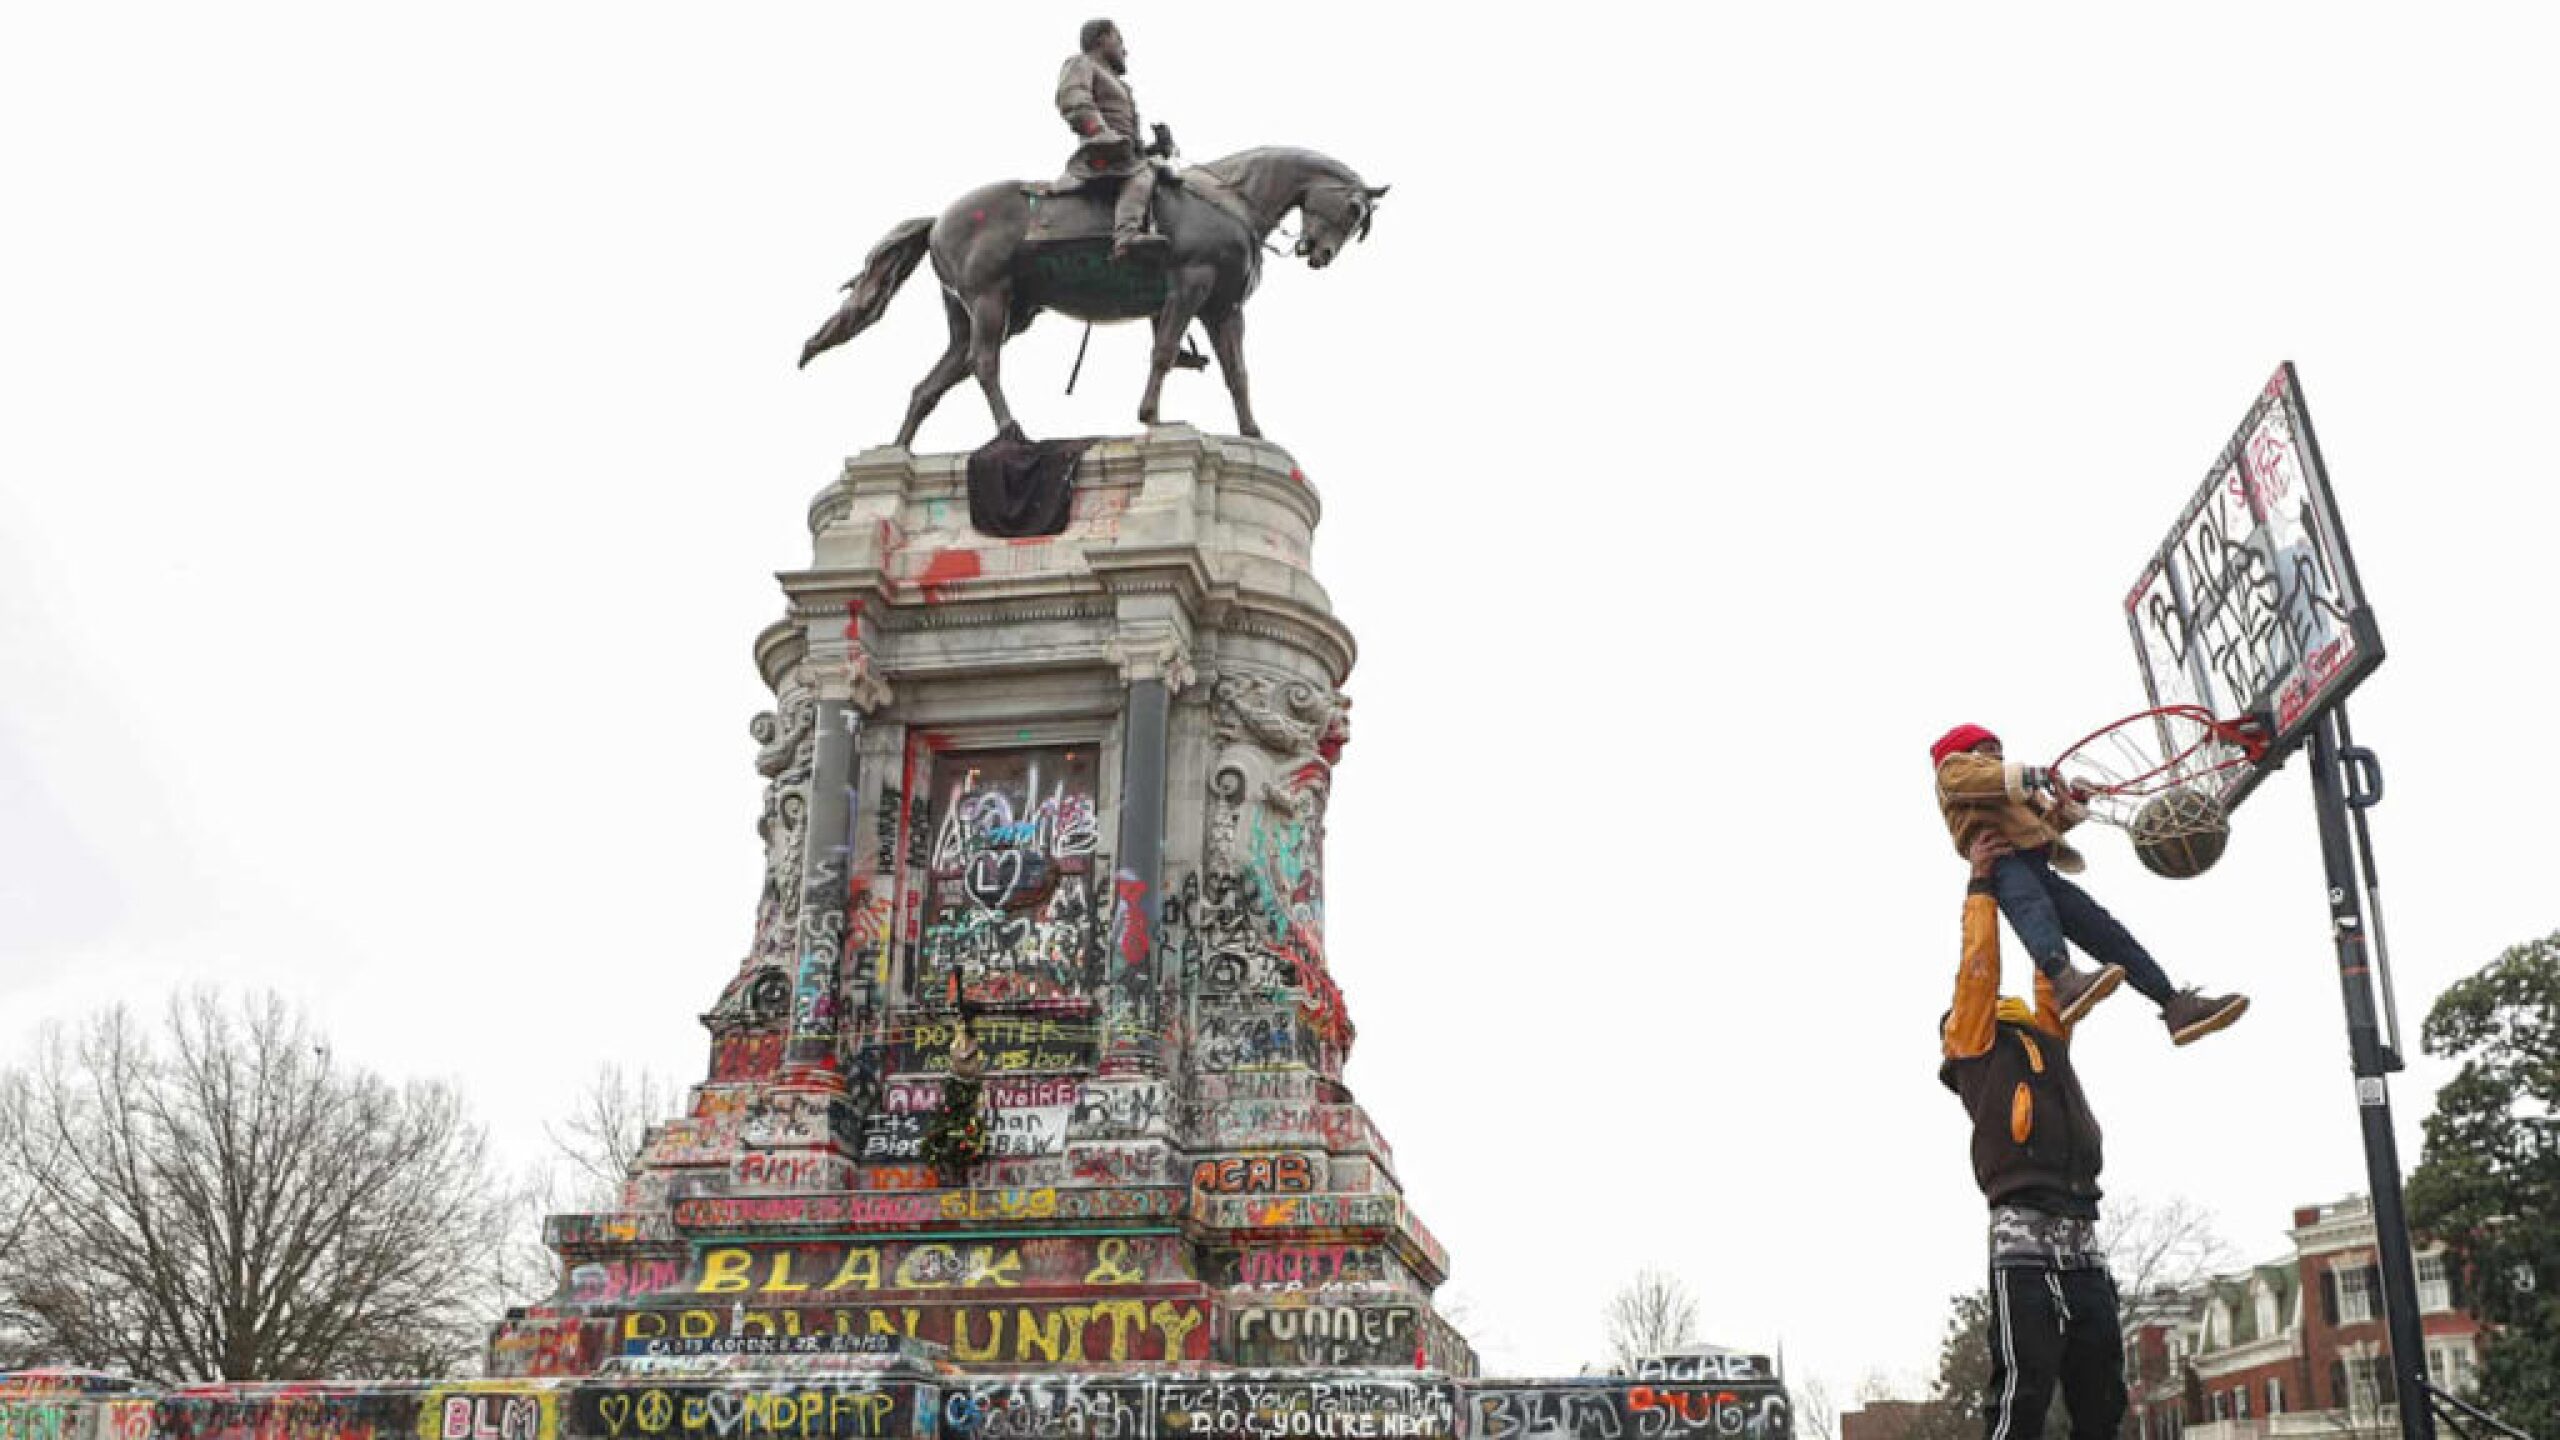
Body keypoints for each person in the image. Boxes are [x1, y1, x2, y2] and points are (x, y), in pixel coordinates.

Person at [1942, 830, 2126, 1440]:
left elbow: (2052, 977)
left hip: (2081, 1225)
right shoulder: (1974, 1046)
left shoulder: (2045, 1036)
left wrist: (2034, 873)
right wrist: (1981, 888)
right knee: (2026, 1385)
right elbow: (1979, 968)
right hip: (2023, 1227)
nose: (1995, 1000)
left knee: (2102, 1387)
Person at [1932, 723, 2247, 1046]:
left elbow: (2044, 827)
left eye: (1999, 749)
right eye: (1987, 748)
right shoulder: (1954, 772)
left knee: (2103, 929)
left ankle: (2172, 1002)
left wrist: (2075, 800)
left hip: (2035, 862)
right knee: (2034, 912)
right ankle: (2063, 981)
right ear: (1964, 752)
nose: (1998, 755)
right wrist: (2028, 776)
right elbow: (1979, 779)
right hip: (2003, 862)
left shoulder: (2006, 797)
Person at [1055, 19, 1175, 261]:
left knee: (1163, 172)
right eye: (1119, 41)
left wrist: (1157, 148)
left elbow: (1134, 149)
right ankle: (1126, 238)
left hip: (1123, 157)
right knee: (1143, 174)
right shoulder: (1082, 63)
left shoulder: (1122, 87)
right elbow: (1074, 101)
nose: (1125, 50)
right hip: (1100, 155)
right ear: (1101, 39)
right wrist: (1098, 131)